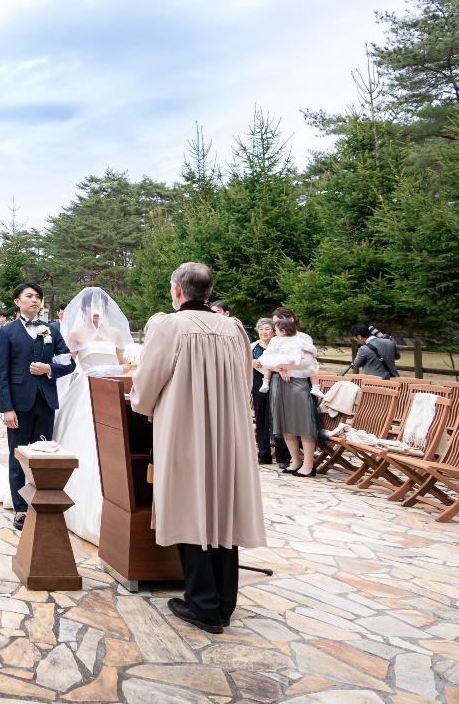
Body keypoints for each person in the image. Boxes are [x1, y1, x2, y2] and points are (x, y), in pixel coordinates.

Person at [132, 262, 265, 634]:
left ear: (177, 290)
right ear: (207, 291)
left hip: (185, 428)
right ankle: (223, 604)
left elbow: (146, 386)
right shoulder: (234, 328)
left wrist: (142, 403)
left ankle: (203, 603)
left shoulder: (168, 326)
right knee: (222, 507)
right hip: (229, 431)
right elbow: (244, 380)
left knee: (190, 505)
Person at [51, 287, 132, 544]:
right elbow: (67, 363)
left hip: (110, 388)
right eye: (92, 308)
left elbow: (125, 363)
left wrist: (113, 368)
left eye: (100, 308)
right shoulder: (76, 333)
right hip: (84, 389)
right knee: (83, 441)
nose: (96, 313)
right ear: (84, 309)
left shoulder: (114, 333)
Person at [0, 282, 75, 531]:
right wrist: (7, 408)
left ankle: (39, 504)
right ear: (17, 302)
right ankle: (21, 509)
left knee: (42, 455)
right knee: (18, 456)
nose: (35, 300)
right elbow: (2, 373)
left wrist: (48, 368)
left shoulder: (51, 329)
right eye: (29, 296)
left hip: (45, 402)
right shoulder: (7, 332)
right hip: (18, 404)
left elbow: (69, 363)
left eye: (38, 296)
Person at [263, 314, 320, 477]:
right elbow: (266, 361)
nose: (275, 326)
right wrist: (278, 368)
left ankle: (309, 464)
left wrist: (284, 366)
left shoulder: (303, 338)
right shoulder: (275, 340)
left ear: (291, 320)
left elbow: (309, 362)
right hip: (278, 383)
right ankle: (295, 460)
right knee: (284, 422)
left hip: (298, 383)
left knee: (303, 423)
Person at [249, 317, 288, 467]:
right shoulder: (252, 346)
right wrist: (251, 362)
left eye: (267, 329)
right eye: (261, 329)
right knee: (261, 420)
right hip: (258, 385)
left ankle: (283, 457)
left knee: (279, 420)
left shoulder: (278, 345)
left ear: (273, 331)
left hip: (278, 384)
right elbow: (241, 362)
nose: (264, 332)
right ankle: (264, 455)